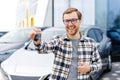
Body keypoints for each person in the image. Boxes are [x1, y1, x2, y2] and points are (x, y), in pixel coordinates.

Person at [29, 8, 102, 80]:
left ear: (80, 21)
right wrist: (37, 40)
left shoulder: (90, 43)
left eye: (73, 20)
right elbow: (43, 48)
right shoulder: (58, 40)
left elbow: (98, 64)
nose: (70, 24)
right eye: (66, 21)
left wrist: (89, 68)